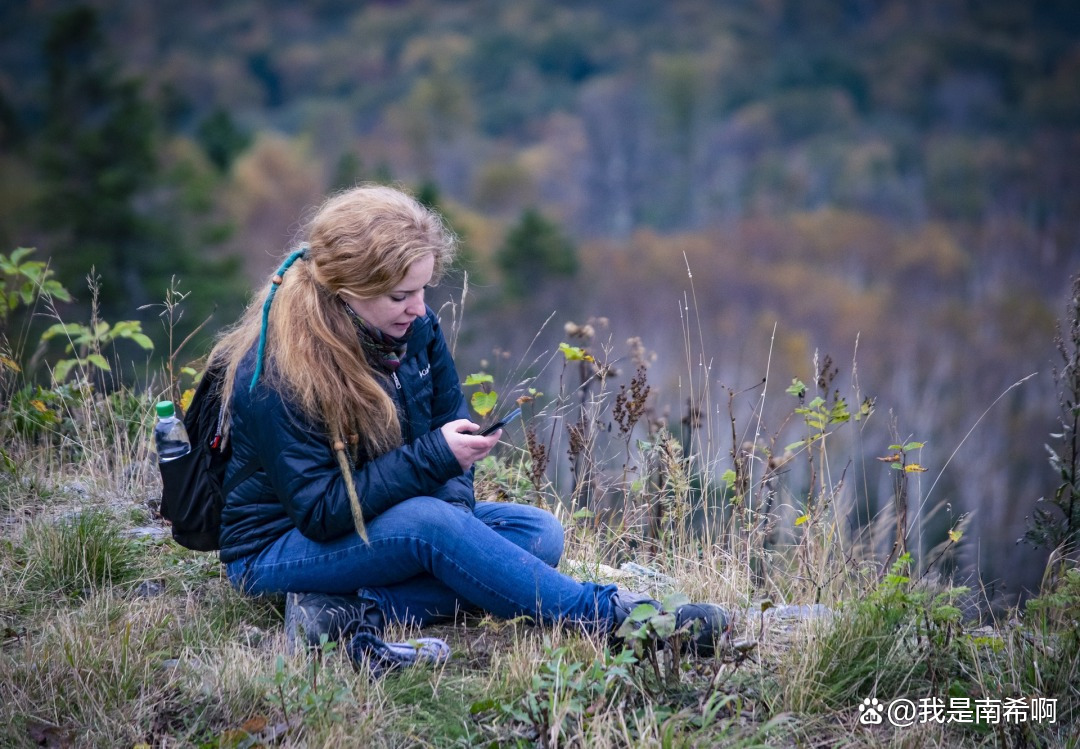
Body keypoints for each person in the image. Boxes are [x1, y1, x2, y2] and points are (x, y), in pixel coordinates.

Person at [207, 184, 725, 673]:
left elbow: (442, 424)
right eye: (400, 295)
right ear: (346, 290)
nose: (419, 307)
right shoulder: (279, 370)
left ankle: (346, 611)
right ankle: (619, 619)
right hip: (276, 549)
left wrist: (455, 518)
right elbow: (320, 512)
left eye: (424, 289)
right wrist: (439, 491)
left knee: (537, 533)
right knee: (434, 527)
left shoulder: (414, 331)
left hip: (375, 520)